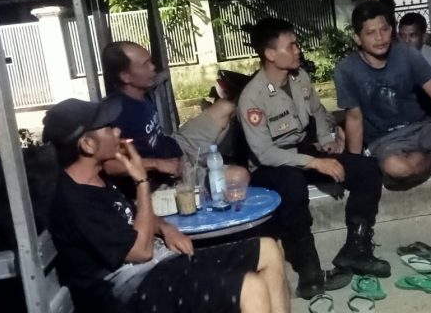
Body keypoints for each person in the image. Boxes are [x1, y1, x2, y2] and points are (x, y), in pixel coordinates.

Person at [44, 98, 289, 313]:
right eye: (108, 127)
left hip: (158, 265)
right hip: (131, 291)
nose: (117, 130)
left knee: (268, 249)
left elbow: (132, 216)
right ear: (87, 145)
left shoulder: (95, 179)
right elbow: (141, 251)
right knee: (251, 288)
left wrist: (164, 227)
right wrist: (141, 181)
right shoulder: (74, 201)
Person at [237, 18, 390, 299]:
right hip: (270, 166)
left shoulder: (300, 79)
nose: (298, 50)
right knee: (292, 185)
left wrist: (326, 140)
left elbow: (318, 111)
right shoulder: (252, 97)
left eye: (297, 44)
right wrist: (315, 162)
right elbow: (265, 153)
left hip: (303, 152)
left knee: (367, 169)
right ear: (270, 54)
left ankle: (356, 249)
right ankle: (308, 268)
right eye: (291, 46)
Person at [334, 0, 431, 258]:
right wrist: (356, 165)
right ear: (357, 38)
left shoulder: (406, 54)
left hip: (423, 126)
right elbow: (355, 119)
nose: (380, 37)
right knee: (396, 168)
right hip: (385, 139)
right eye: (371, 33)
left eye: (384, 29)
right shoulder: (346, 70)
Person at [100, 41, 248, 189]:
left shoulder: (141, 93)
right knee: (239, 176)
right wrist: (157, 164)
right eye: (145, 64)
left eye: (150, 61)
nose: (152, 67)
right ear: (125, 76)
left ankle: (216, 160)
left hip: (176, 146)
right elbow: (110, 166)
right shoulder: (114, 111)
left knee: (226, 106)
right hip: (165, 179)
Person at [397, 12, 431, 87]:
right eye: (402, 36)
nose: (406, 41)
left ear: (424, 37)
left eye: (412, 36)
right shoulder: (393, 57)